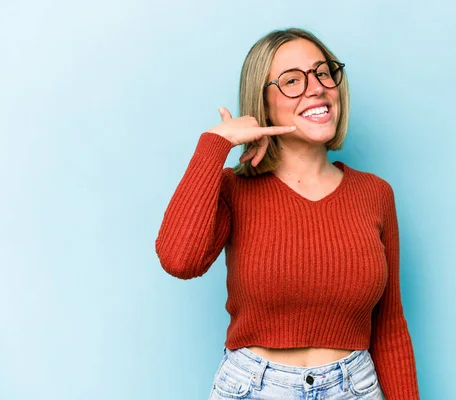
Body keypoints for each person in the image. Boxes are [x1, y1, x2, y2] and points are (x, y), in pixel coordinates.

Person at [155, 27, 420, 399]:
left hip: (355, 388)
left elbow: (390, 326)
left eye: (323, 72)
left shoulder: (374, 193)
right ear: (262, 104)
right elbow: (179, 260)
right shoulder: (235, 189)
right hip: (253, 388)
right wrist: (215, 144)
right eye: (292, 80)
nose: (316, 88)